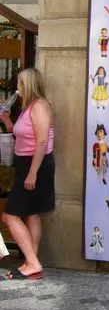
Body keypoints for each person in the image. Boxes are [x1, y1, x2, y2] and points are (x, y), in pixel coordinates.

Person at [0, 68, 56, 280]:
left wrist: (32, 174)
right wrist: (6, 121)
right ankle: (30, 261)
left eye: (20, 83)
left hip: (36, 165)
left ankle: (33, 262)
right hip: (26, 164)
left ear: (29, 84)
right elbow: (23, 134)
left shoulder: (40, 106)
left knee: (9, 215)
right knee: (31, 214)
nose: (17, 87)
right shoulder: (28, 107)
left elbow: (42, 141)